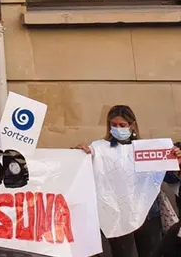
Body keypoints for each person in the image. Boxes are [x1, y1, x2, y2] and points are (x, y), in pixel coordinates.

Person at [74, 105, 181, 257]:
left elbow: (168, 177)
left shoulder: (147, 148)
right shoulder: (99, 148)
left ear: (132, 125)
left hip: (148, 214)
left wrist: (175, 161)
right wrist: (79, 155)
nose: (117, 128)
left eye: (122, 125)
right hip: (117, 214)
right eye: (114, 125)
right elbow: (83, 170)